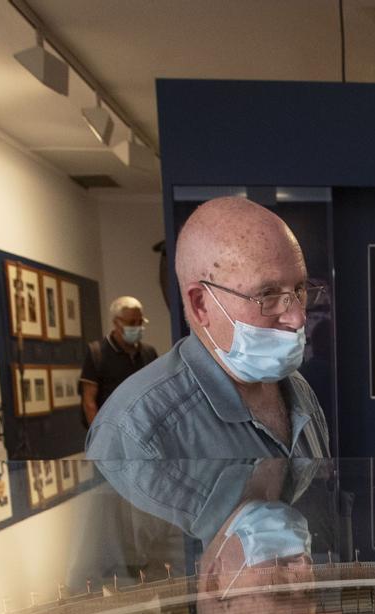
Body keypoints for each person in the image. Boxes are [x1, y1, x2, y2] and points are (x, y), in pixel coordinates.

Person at [86, 197, 330, 546]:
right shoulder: (135, 430)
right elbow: (116, 578)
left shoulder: (296, 388)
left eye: (300, 290)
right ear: (202, 305)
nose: (298, 317)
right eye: (268, 295)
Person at [80, 294, 156, 424]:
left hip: (143, 427)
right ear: (116, 322)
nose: (137, 327)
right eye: (132, 323)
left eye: (140, 322)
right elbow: (89, 402)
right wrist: (100, 437)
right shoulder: (97, 353)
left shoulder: (149, 353)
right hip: (112, 428)